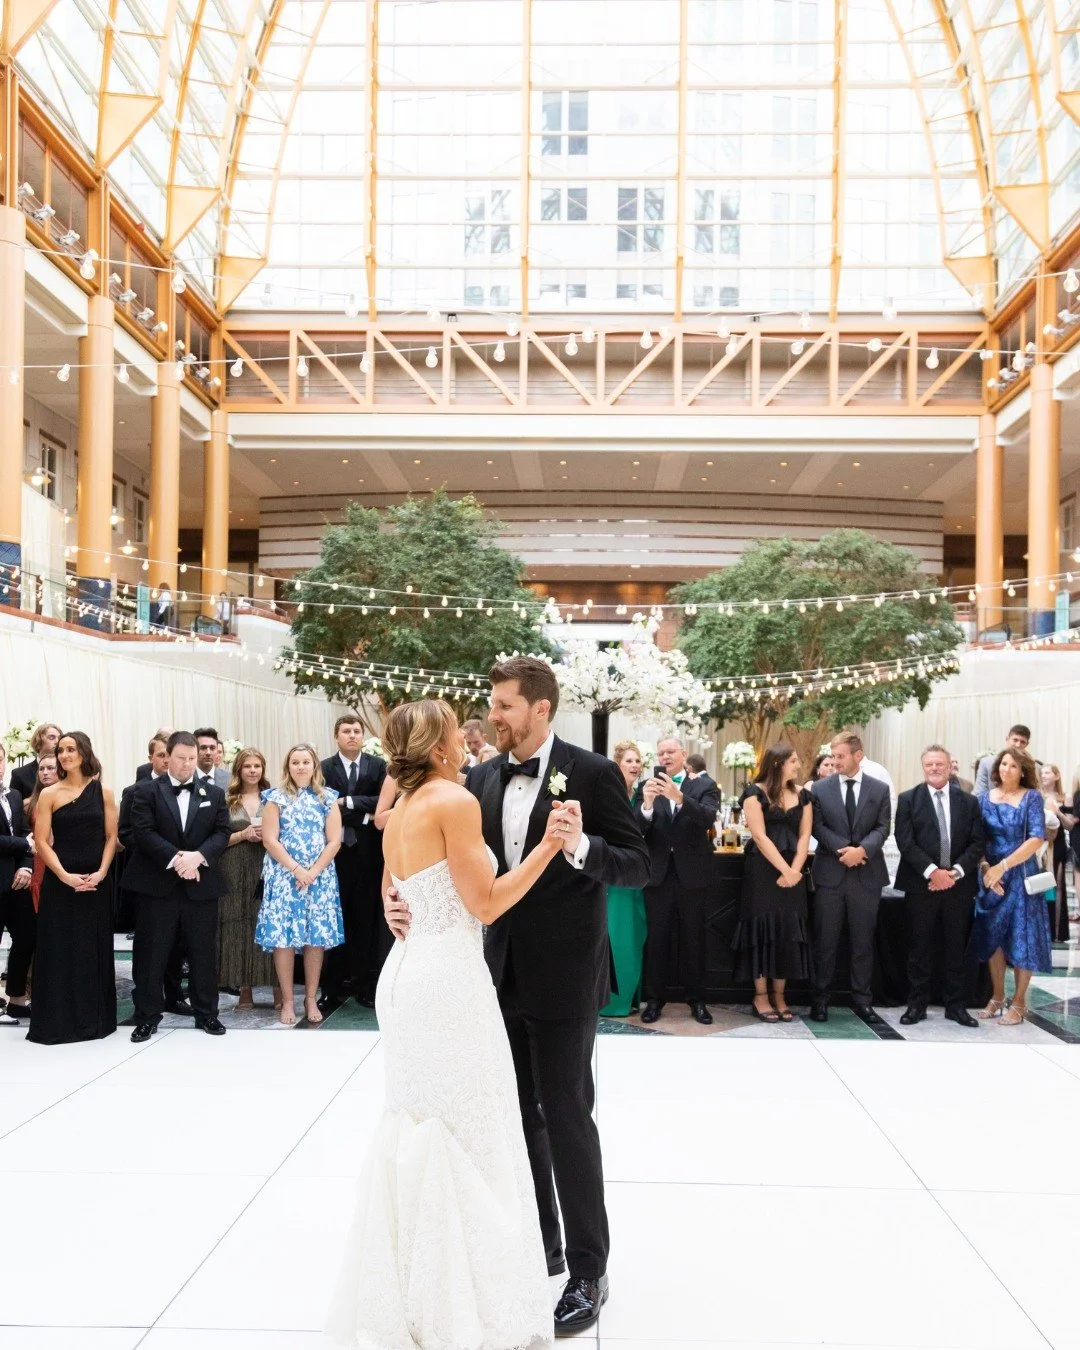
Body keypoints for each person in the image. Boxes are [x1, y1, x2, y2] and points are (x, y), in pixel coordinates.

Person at [386, 656, 649, 1334]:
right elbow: (436, 866)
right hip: (486, 977)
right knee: (513, 1116)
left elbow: (638, 863)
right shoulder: (474, 779)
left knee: (566, 1114)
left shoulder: (591, 773)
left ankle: (590, 1270)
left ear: (540, 709)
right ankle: (540, 1246)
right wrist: (396, 898)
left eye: (503, 706)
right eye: (492, 704)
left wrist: (581, 846)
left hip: (565, 974)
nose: (491, 717)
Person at [327, 699, 574, 1349]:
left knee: (418, 1125)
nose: (470, 740)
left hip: (407, 973)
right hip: (447, 984)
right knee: (466, 1132)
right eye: (457, 734)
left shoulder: (400, 810)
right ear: (438, 747)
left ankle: (415, 1293)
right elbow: (487, 903)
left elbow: (393, 891)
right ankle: (458, 1308)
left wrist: (394, 906)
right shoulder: (452, 803)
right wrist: (549, 847)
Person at [125, 731, 231, 1042]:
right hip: (156, 885)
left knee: (202, 952)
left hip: (200, 885)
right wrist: (177, 860)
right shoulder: (145, 791)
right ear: (167, 756)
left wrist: (197, 857)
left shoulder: (213, 793)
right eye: (181, 758)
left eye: (191, 759)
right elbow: (142, 832)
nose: (186, 764)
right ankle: (146, 1016)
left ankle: (207, 1014)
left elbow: (222, 832)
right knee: (150, 953)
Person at [28, 732, 118, 1044]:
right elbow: (40, 841)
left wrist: (102, 872)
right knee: (60, 949)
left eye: (71, 749)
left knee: (91, 948)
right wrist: (64, 876)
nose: (65, 755)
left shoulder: (103, 792)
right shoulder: (49, 794)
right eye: (61, 750)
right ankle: (59, 1022)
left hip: (96, 883)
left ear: (83, 753)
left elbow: (111, 838)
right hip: (61, 883)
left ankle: (94, 1021)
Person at [894, 745, 985, 1028]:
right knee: (919, 948)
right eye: (930, 764)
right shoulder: (908, 799)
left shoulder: (968, 802)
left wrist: (953, 873)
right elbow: (905, 841)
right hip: (921, 885)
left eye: (940, 764)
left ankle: (955, 1006)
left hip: (959, 886)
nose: (935, 768)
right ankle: (916, 1005)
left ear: (949, 767)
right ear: (923, 767)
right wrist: (934, 872)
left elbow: (977, 842)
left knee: (955, 948)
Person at [637, 734, 723, 1026]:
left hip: (693, 875)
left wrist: (680, 798)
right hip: (658, 875)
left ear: (683, 754)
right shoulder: (647, 786)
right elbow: (635, 828)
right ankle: (654, 999)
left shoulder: (703, 786)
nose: (665, 757)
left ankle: (697, 1000)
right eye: (661, 753)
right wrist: (647, 805)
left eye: (671, 751)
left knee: (694, 939)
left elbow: (708, 818)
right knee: (657, 940)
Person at [256, 744, 344, 1025]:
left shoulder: (327, 798)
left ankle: (310, 997)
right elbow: (270, 839)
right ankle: (287, 1000)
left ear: (314, 765)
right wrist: (296, 869)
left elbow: (334, 840)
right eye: (295, 762)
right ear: (288, 766)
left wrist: (313, 871)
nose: (301, 767)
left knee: (313, 939)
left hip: (319, 877)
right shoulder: (275, 798)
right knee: (284, 938)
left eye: (306, 762)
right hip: (285, 877)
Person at [809, 731, 892, 1025]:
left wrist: (862, 851)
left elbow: (883, 828)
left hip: (866, 875)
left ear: (858, 755)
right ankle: (819, 1001)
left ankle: (862, 1001)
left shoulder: (880, 789)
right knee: (825, 941)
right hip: (831, 873)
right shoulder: (819, 789)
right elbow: (816, 826)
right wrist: (843, 850)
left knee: (863, 942)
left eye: (841, 756)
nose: (836, 761)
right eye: (833, 756)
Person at [969, 748, 1051, 1025]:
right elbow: (976, 840)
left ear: (1024, 771)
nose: (1006, 769)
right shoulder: (983, 800)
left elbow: (1036, 838)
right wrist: (985, 869)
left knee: (1022, 937)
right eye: (1003, 764)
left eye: (1013, 766)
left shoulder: (1032, 798)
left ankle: (1019, 1002)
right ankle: (997, 996)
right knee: (993, 938)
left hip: (1021, 874)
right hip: (991, 877)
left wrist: (1003, 866)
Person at [733, 742, 812, 1022]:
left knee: (787, 931)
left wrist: (795, 870)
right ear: (778, 763)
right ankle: (761, 996)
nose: (798, 765)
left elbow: (804, 836)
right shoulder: (755, 794)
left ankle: (780, 994)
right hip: (763, 871)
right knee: (761, 929)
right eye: (793, 760)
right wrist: (785, 870)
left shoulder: (803, 795)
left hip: (794, 870)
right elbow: (759, 836)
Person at [320, 717, 388, 1012]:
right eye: (346, 731)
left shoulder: (377, 766)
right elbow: (323, 803)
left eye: (356, 731)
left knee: (365, 922)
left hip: (368, 856)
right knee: (334, 921)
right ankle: (331, 989)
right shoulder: (324, 768)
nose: (351, 735)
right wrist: (364, 815)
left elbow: (383, 801)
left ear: (363, 736)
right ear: (336, 736)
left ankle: (365, 986)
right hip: (333, 857)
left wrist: (347, 804)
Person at [120, 736, 191, 1015]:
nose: (166, 760)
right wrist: (163, 854)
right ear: (151, 757)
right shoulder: (135, 790)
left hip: (183, 877)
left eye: (168, 755)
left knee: (177, 943)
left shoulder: (193, 790)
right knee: (149, 945)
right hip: (151, 877)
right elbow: (127, 833)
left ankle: (174, 996)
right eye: (161, 755)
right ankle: (145, 1003)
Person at [218, 748, 277, 1011]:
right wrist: (242, 835)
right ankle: (245, 992)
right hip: (233, 866)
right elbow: (215, 840)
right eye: (247, 766)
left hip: (267, 867)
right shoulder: (226, 800)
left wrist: (268, 835)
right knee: (239, 925)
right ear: (238, 770)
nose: (252, 771)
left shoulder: (274, 797)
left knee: (270, 924)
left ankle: (279, 991)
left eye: (257, 766)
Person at [600, 740, 648, 1017]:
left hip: (636, 880)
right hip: (611, 875)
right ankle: (609, 1001)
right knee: (613, 934)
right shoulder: (608, 793)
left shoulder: (643, 796)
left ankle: (630, 997)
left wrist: (649, 805)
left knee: (634, 935)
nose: (634, 765)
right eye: (629, 760)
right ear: (617, 764)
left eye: (637, 761)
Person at [0, 744, 36, 1024]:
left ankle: (15, 1000)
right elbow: (25, 839)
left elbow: (26, 832)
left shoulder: (13, 795)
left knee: (26, 937)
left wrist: (26, 865)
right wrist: (24, 844)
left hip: (17, 881)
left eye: (0, 761)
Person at [1039, 763, 1074, 942]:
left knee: (1057, 886)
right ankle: (1041, 928)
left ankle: (1057, 931)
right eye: (1042, 772)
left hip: (1058, 844)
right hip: (1038, 845)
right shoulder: (1034, 794)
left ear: (1056, 776)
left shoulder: (1064, 797)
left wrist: (1058, 812)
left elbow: (1070, 825)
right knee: (1039, 886)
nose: (1043, 775)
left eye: (1047, 772)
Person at [26, 752, 58, 913]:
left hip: (63, 856)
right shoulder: (28, 804)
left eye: (51, 768)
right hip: (38, 859)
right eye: (41, 769)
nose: (45, 772)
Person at [974, 724, 1034, 797]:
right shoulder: (987, 763)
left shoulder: (1031, 766)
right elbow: (979, 793)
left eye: (1022, 742)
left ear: (1027, 744)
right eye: (1015, 740)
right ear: (1007, 739)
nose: (1018, 745)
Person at [10, 721, 62, 798]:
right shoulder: (19, 774)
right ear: (38, 741)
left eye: (60, 738)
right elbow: (13, 806)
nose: (57, 741)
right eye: (51, 737)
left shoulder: (67, 769)